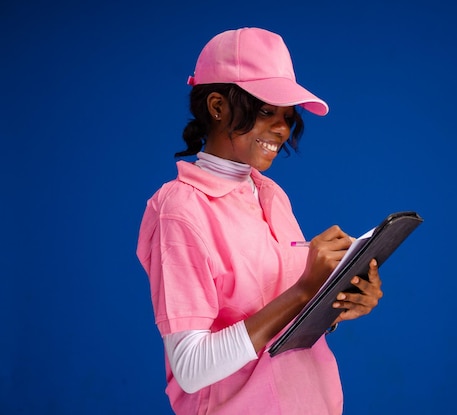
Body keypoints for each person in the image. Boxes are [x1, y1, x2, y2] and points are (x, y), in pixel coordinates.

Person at [136, 27, 383, 415]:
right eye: (266, 111)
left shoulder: (270, 194)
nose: (282, 129)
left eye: (288, 116)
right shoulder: (179, 211)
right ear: (217, 105)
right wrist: (303, 290)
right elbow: (191, 368)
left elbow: (281, 323)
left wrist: (336, 301)